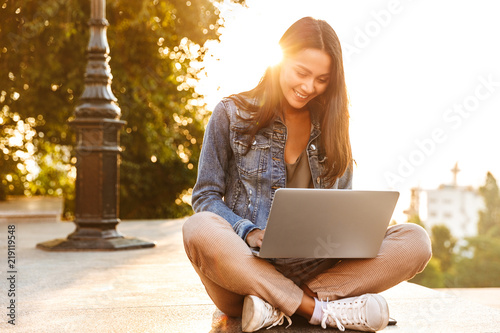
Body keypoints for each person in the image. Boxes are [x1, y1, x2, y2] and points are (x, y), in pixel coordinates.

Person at [182, 17, 431, 332]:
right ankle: (320, 311)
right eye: (301, 73)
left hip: (318, 273)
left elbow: (343, 210)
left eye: (322, 79)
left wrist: (350, 239)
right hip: (246, 270)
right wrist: (247, 231)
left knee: (415, 240)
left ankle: (280, 307)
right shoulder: (231, 113)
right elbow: (204, 196)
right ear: (280, 60)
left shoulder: (333, 126)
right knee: (198, 228)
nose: (308, 87)